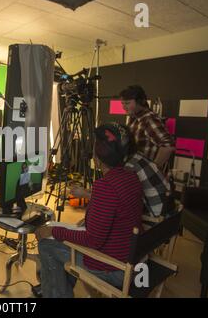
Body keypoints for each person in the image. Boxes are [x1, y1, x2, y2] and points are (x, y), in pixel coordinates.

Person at [35, 124, 143, 298]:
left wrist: (53, 230)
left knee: (46, 245)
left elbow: (92, 240)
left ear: (98, 157)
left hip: (114, 268)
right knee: (74, 228)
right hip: (131, 257)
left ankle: (57, 293)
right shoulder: (131, 176)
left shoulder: (106, 186)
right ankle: (59, 288)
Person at [71, 123, 171, 218]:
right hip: (165, 212)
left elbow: (111, 203)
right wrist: (88, 192)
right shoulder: (136, 157)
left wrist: (85, 194)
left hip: (154, 218)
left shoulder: (127, 168)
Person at [120, 85, 175, 172]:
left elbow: (168, 146)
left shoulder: (149, 119)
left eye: (127, 103)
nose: (123, 107)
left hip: (146, 176)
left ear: (140, 102)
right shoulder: (134, 118)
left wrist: (153, 169)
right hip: (136, 172)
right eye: (122, 103)